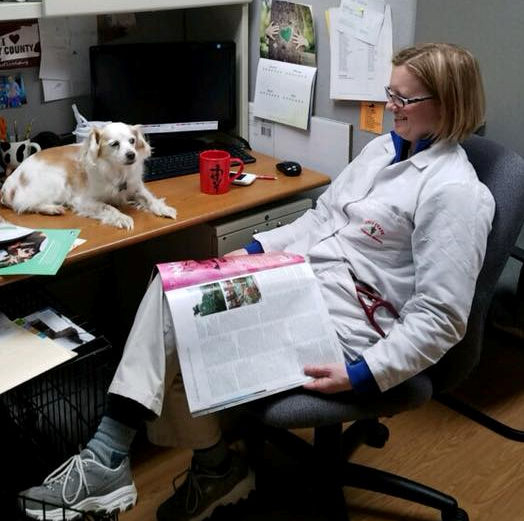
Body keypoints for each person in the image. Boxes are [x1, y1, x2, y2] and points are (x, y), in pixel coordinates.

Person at [20, 42, 495, 521]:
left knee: (188, 333)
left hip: (352, 334)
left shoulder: (455, 193)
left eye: (404, 99)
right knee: (175, 288)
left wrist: (362, 373)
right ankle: (185, 465)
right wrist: (250, 252)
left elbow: (441, 318)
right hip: (305, 289)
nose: (389, 106)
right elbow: (320, 220)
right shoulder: (381, 151)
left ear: (448, 103)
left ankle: (127, 460)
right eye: (390, 92)